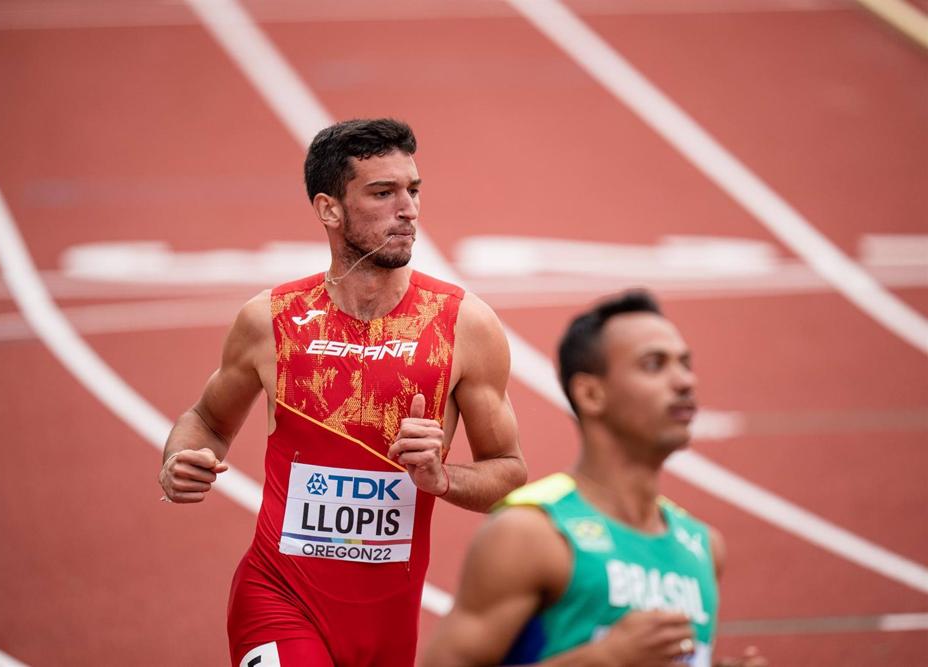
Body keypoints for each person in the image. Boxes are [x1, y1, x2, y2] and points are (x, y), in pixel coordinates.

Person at [158, 118, 527, 667]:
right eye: (383, 193)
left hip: (387, 624)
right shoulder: (271, 320)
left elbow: (509, 474)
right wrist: (178, 462)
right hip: (277, 598)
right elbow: (208, 420)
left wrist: (442, 478)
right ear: (330, 209)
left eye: (414, 190)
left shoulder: (464, 326)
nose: (408, 209)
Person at [420, 291, 766, 667]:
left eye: (685, 363)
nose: (684, 381)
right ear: (590, 393)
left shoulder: (702, 547)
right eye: (654, 365)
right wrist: (606, 659)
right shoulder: (531, 534)